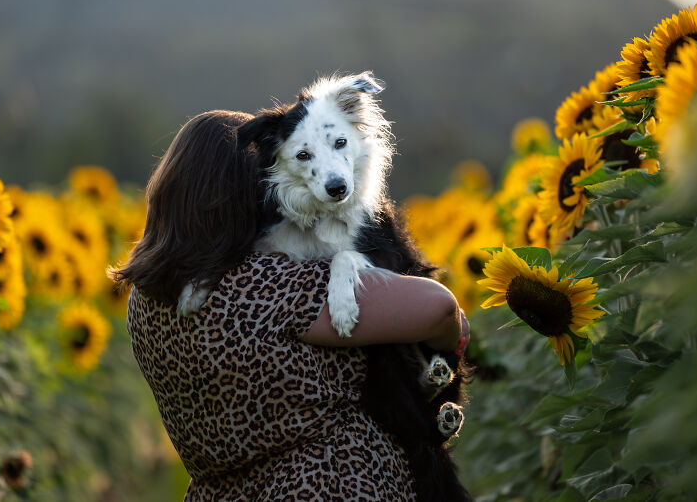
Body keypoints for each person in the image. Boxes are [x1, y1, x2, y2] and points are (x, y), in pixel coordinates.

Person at [112, 109, 467, 500]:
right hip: (331, 483)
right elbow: (438, 309)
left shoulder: (146, 296)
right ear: (243, 194)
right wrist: (458, 336)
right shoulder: (263, 284)